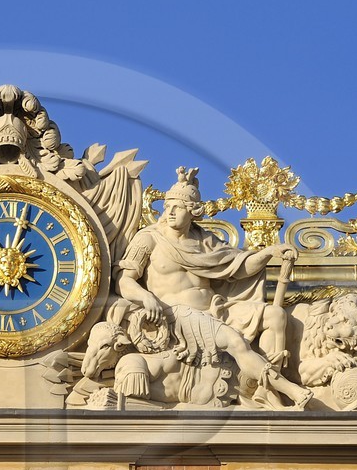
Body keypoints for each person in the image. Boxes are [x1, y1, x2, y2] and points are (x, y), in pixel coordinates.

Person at [116, 168, 309, 407]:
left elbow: (240, 266)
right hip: (176, 315)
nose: (170, 212)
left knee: (276, 315)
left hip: (215, 310)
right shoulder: (149, 238)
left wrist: (269, 252)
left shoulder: (204, 241)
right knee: (235, 342)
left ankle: (263, 389)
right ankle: (286, 389)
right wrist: (146, 298)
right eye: (168, 207)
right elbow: (124, 280)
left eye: (177, 207)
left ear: (192, 211)